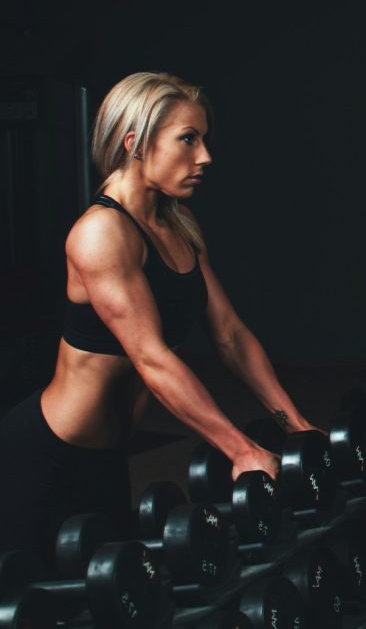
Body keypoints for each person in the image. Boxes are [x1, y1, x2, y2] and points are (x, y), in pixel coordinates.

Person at [0, 72, 319, 565]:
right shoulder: (101, 233)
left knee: (108, 592)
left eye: (204, 139)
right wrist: (241, 450)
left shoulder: (175, 227)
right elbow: (151, 357)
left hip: (106, 460)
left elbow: (231, 336)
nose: (205, 156)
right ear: (136, 143)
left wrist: (297, 426)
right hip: (46, 456)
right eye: (188, 139)